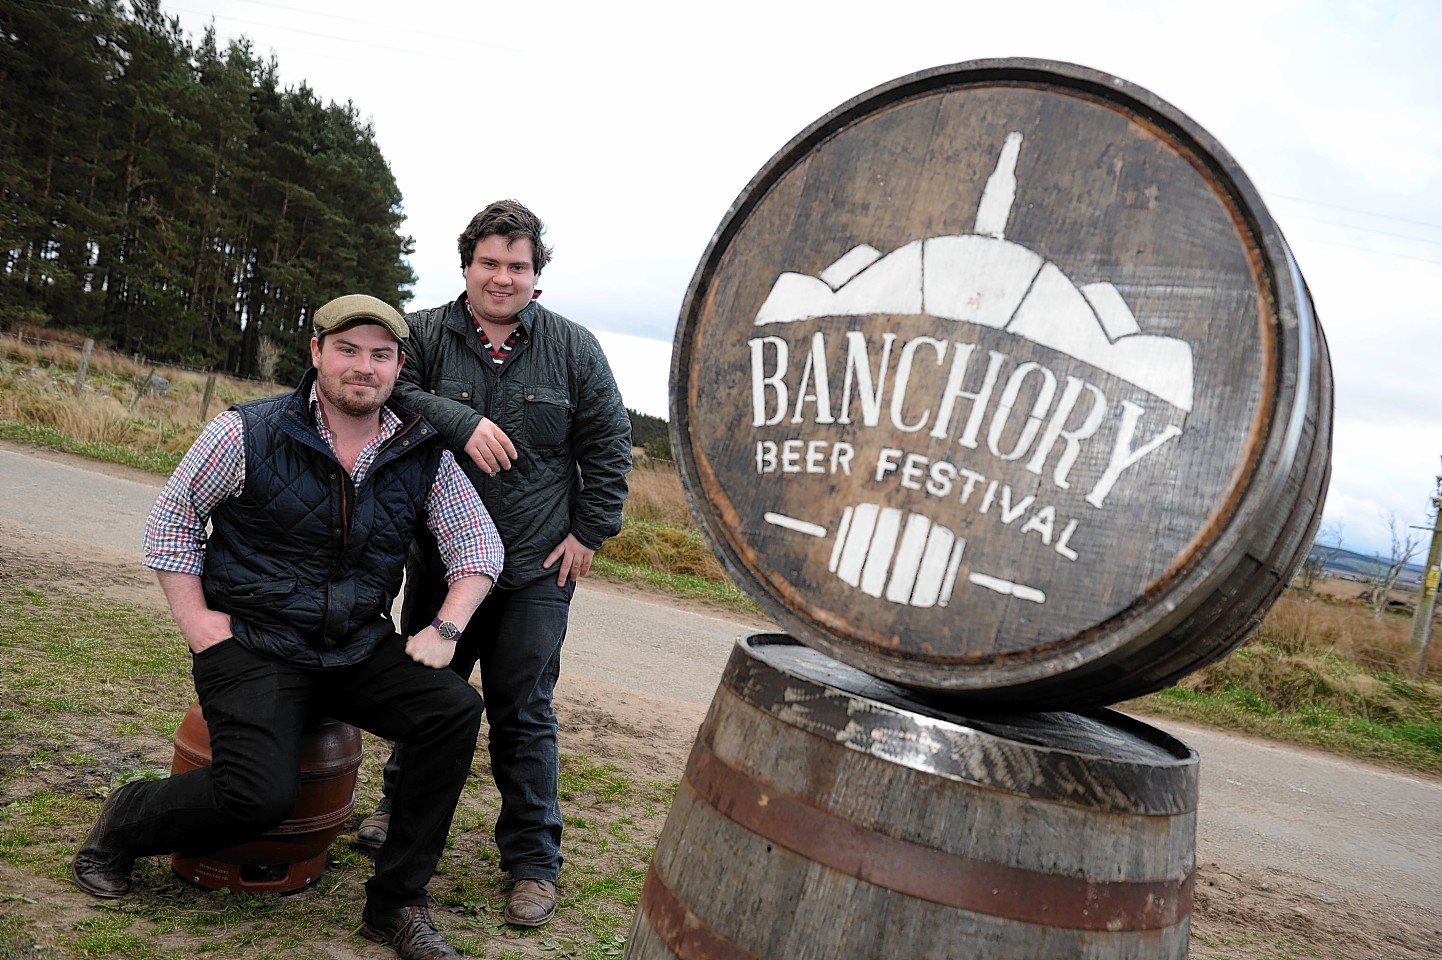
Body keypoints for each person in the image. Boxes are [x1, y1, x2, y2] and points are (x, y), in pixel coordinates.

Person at [70, 295, 505, 960]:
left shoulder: (423, 450)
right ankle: (125, 819)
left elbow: (480, 550)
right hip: (254, 643)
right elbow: (171, 522)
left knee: (452, 712)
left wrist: (446, 628)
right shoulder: (248, 431)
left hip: (354, 645)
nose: (364, 367)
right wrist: (198, 623)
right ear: (316, 354)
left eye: (380, 355)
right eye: (348, 351)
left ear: (399, 366)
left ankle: (395, 905)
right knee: (256, 796)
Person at [354, 199, 631, 928]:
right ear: (467, 265)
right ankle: (395, 806)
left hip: (538, 565)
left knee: (522, 708)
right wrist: (462, 419)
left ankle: (533, 864)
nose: (502, 277)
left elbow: (608, 441)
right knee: (425, 689)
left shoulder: (574, 348)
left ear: (537, 275)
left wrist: (590, 532)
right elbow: (389, 390)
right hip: (443, 558)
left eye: (518, 265)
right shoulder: (425, 334)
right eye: (489, 262)